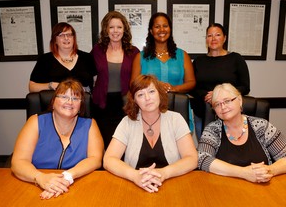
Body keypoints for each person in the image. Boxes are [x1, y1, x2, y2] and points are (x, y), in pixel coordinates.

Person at [11, 78, 104, 200]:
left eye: (75, 98)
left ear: (81, 105)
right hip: (35, 187)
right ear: (53, 101)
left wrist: (67, 177)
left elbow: (95, 159)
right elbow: (18, 161)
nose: (70, 102)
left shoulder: (90, 125)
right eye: (64, 97)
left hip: (76, 186)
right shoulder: (36, 122)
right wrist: (40, 178)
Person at [103, 75, 198, 193]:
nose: (147, 98)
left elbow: (192, 159)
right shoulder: (127, 123)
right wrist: (135, 176)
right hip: (136, 186)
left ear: (159, 93)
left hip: (173, 184)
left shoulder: (175, 119)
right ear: (135, 101)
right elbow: (108, 159)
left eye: (151, 91)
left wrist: (163, 173)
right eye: (140, 95)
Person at [198, 83, 286, 183]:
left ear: (239, 100)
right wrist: (244, 173)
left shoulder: (261, 126)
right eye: (217, 104)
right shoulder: (212, 130)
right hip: (225, 189)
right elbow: (202, 159)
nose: (223, 107)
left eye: (227, 101)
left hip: (262, 188)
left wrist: (269, 170)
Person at [191, 23, 250, 139]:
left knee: (230, 148)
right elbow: (193, 87)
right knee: (206, 149)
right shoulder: (199, 61)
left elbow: (245, 87)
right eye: (209, 35)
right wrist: (206, 95)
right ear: (206, 39)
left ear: (224, 38)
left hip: (229, 113)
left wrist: (218, 95)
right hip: (202, 113)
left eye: (217, 35)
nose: (213, 39)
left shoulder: (236, 59)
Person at [90, 11, 139, 149]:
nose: (115, 31)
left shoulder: (133, 52)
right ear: (106, 29)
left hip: (125, 104)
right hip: (101, 104)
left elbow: (138, 79)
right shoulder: (97, 51)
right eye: (111, 27)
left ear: (125, 29)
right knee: (104, 144)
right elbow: (87, 73)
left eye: (119, 27)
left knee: (124, 144)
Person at [131, 12, 196, 94]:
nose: (162, 30)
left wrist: (174, 88)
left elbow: (191, 82)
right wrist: (155, 85)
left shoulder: (183, 55)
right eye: (157, 27)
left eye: (165, 26)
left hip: (177, 105)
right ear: (151, 31)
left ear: (170, 29)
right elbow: (133, 84)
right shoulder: (140, 57)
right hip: (148, 104)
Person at [29, 22, 96, 93]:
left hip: (82, 102)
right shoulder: (44, 60)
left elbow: (95, 82)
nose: (66, 38)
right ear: (55, 40)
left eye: (69, 35)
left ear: (74, 38)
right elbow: (32, 87)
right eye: (61, 35)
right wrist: (50, 85)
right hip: (55, 102)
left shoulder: (87, 58)